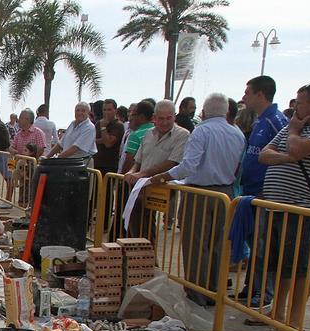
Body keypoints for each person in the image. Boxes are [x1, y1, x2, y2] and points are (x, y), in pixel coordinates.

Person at [146, 93, 246, 304]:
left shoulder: (202, 131)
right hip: (225, 192)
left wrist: (162, 177)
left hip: (200, 192)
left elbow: (188, 165)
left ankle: (196, 292)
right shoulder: (236, 133)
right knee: (218, 244)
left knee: (195, 244)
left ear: (204, 110)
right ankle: (214, 291)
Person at [256, 82, 310, 331]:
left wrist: (293, 138)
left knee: (297, 266)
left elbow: (298, 149)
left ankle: (294, 318)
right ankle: (277, 311)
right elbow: (264, 155)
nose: (295, 106)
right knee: (278, 264)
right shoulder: (295, 128)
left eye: (300, 102)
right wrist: (289, 153)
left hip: (301, 209)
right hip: (278, 206)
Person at [239, 75, 289, 306]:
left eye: (248, 92)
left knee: (263, 245)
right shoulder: (260, 121)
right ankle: (252, 286)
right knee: (254, 242)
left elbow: (285, 154)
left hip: (265, 193)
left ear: (260, 94)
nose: (244, 97)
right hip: (250, 192)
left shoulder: (275, 121)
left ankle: (263, 294)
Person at [123, 100, 189, 241]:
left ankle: (148, 256)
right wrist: (131, 171)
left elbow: (172, 163)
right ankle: (142, 256)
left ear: (174, 116)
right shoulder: (148, 134)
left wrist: (143, 174)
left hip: (162, 186)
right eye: (161, 118)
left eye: (168, 118)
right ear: (154, 118)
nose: (164, 122)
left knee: (144, 223)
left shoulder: (182, 135)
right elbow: (138, 160)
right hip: (141, 185)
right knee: (135, 222)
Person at [120, 100, 155, 173]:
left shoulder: (135, 135)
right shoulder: (157, 131)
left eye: (133, 115)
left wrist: (121, 179)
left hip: (136, 178)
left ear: (141, 117)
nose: (130, 118)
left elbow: (129, 161)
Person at [94, 99, 125, 175]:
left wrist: (103, 128)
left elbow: (108, 143)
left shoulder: (118, 125)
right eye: (104, 110)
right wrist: (102, 140)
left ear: (115, 110)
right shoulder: (98, 123)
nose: (106, 112)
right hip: (97, 165)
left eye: (109, 110)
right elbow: (91, 140)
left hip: (110, 166)